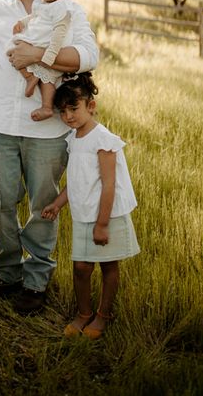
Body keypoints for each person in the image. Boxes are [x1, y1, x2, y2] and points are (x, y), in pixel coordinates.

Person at [0, 0, 99, 314]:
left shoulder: (70, 10)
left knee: (43, 206)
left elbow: (88, 55)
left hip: (48, 133)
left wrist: (39, 54)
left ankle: (36, 280)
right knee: (3, 203)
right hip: (2, 128)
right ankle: (9, 272)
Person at [42, 73, 140, 338]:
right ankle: (84, 312)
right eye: (63, 112)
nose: (69, 116)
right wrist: (58, 203)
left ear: (91, 106)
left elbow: (109, 185)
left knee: (108, 265)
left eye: (74, 108)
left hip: (107, 215)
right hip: (84, 213)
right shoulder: (74, 139)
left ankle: (103, 315)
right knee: (81, 267)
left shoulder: (103, 140)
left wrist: (103, 224)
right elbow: (76, 181)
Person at [8, 0, 71, 121]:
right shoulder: (42, 3)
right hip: (35, 39)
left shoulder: (61, 7)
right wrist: (22, 22)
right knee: (11, 51)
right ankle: (30, 77)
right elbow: (35, 16)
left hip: (46, 43)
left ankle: (47, 107)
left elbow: (59, 32)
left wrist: (50, 56)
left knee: (48, 77)